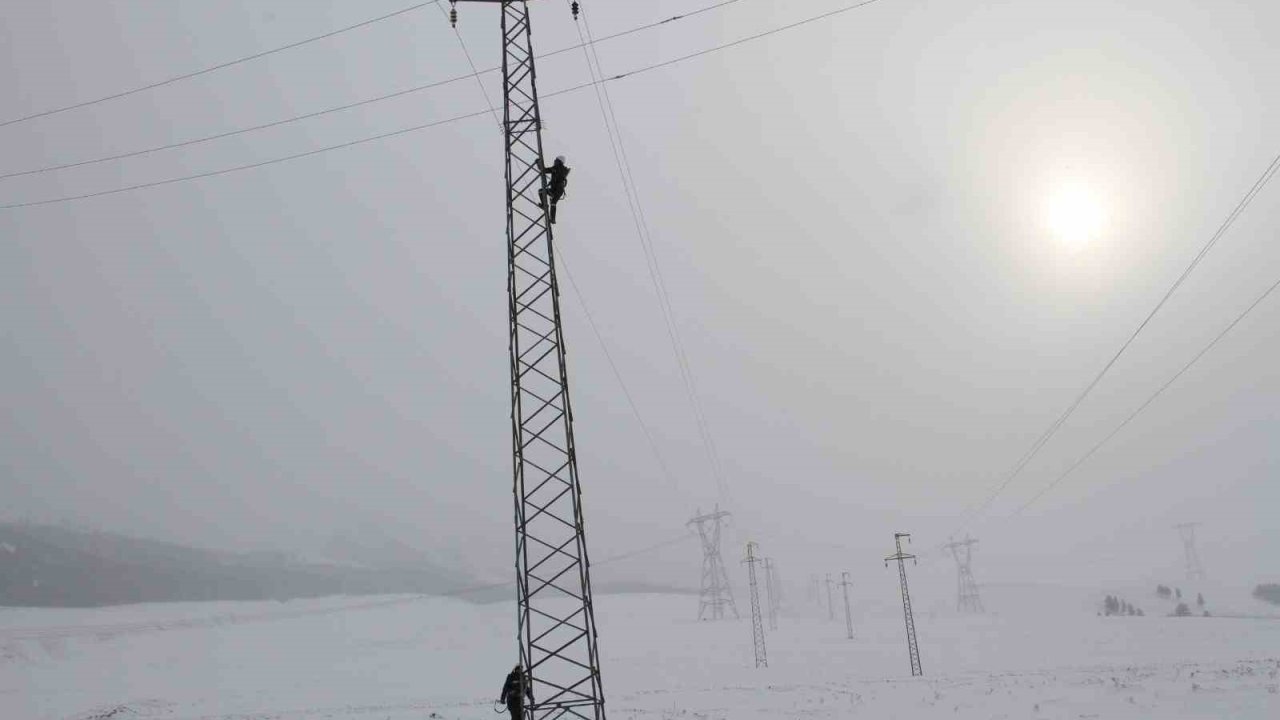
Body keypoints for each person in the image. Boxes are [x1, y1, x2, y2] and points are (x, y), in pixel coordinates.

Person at [539, 155, 571, 224]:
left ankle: (545, 207)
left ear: (558, 161)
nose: (554, 162)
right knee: (551, 200)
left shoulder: (557, 168)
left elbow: (543, 170)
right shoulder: (561, 169)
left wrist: (538, 163)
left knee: (544, 194)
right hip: (557, 190)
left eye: (556, 160)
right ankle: (550, 216)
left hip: (557, 190)